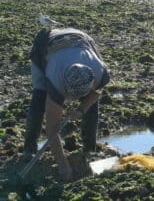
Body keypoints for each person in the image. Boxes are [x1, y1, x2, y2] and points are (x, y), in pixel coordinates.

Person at [23, 27, 110, 182]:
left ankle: (90, 149)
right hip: (46, 44)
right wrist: (63, 164)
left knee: (91, 106)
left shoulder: (100, 73)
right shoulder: (55, 82)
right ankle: (29, 149)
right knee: (39, 97)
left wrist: (83, 109)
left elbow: (96, 94)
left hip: (81, 41)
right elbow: (52, 129)